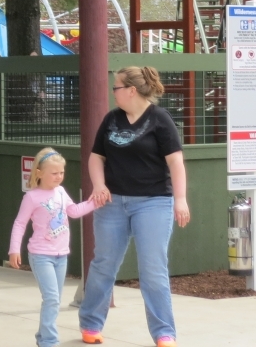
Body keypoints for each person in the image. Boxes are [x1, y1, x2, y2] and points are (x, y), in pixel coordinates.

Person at [78, 66, 190, 347]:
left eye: (116, 87)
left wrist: (180, 199)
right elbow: (96, 157)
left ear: (131, 90)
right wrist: (99, 185)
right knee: (104, 264)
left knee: (153, 269)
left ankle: (164, 332)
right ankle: (90, 324)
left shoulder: (160, 119)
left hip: (153, 202)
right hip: (112, 202)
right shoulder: (111, 119)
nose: (113, 91)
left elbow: (175, 162)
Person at [9, 148, 97, 347]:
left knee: (54, 300)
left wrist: (95, 202)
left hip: (61, 255)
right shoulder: (32, 197)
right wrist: (14, 249)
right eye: (54, 173)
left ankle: (43, 337)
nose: (59, 176)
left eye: (62, 172)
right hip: (41, 255)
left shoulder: (61, 192)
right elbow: (20, 223)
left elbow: (74, 211)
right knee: (51, 299)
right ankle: (50, 341)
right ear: (39, 173)